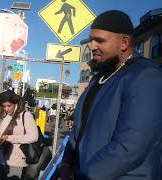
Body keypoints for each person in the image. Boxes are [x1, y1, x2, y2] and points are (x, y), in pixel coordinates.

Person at [59, 10, 162, 180]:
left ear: (124, 42)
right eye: (91, 40)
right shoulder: (98, 79)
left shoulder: (145, 76)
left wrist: (84, 176)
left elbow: (131, 146)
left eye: (99, 40)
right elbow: (79, 130)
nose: (92, 46)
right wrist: (66, 162)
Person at [0, 90, 38, 179]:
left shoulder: (26, 115)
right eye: (4, 106)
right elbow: (2, 136)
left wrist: (11, 138)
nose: (6, 109)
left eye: (9, 105)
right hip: (1, 160)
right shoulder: (7, 116)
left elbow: (34, 137)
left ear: (15, 103)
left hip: (16, 163)